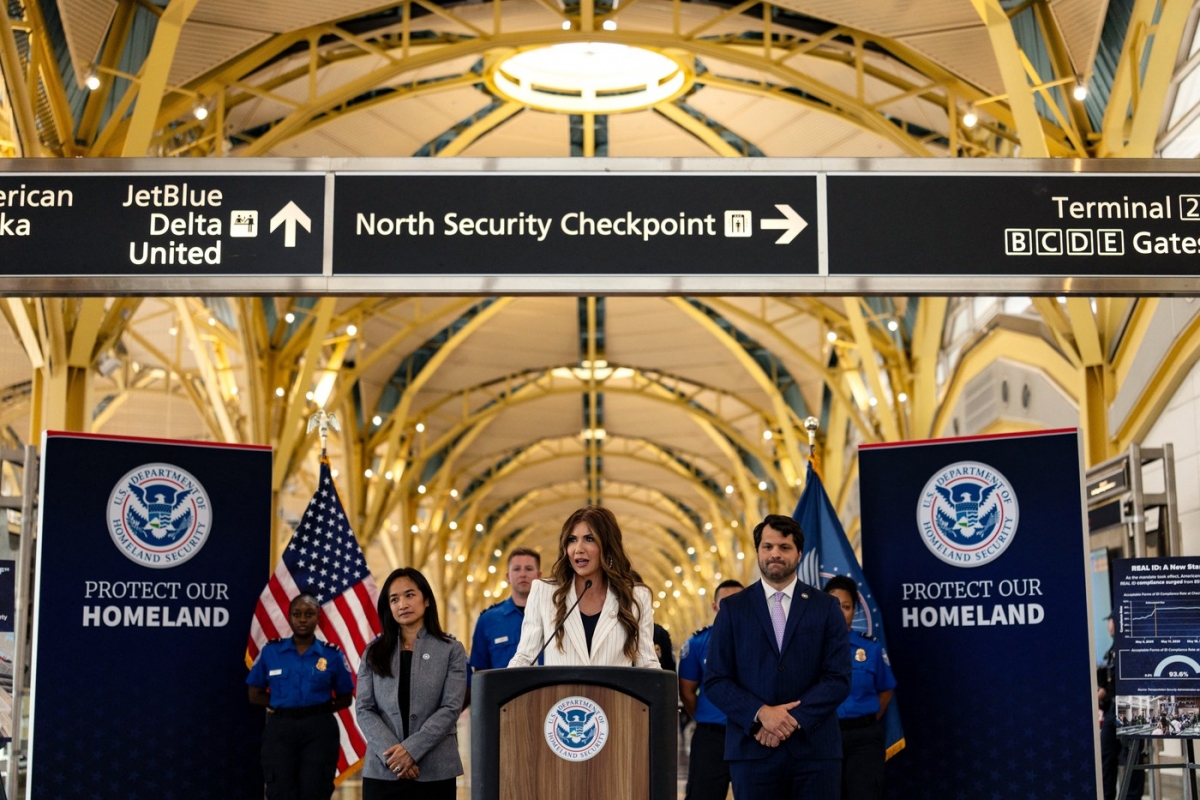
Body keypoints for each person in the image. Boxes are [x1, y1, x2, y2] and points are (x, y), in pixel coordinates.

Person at [704, 514, 851, 800]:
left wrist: (788, 720)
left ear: (799, 553)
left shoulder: (826, 607)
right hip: (752, 750)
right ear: (758, 551)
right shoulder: (733, 609)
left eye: (784, 547)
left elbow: (838, 678)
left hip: (815, 752)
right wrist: (761, 714)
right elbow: (716, 680)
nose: (775, 554)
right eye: (767, 546)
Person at [356, 568, 466, 800]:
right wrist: (395, 758)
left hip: (435, 770)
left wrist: (411, 751)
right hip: (383, 770)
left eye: (409, 595)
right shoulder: (373, 652)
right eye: (394, 599)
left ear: (426, 600)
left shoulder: (451, 650)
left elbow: (451, 707)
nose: (402, 604)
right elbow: (364, 709)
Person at [509, 505, 660, 667]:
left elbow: (647, 663)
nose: (578, 549)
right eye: (572, 540)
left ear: (608, 546)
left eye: (589, 539)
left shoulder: (637, 596)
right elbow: (525, 658)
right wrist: (504, 682)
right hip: (561, 686)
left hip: (614, 686)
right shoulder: (543, 591)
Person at [246, 593, 355, 800]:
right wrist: (283, 706)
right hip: (281, 729)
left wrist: (317, 710)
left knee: (316, 790)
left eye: (309, 614)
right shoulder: (271, 652)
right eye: (297, 614)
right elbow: (254, 694)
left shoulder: (331, 655)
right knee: (280, 790)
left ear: (318, 618)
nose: (302, 619)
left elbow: (345, 697)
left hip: (319, 731)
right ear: (289, 618)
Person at [823, 575, 895, 800]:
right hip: (824, 737)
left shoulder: (870, 648)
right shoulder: (809, 649)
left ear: (854, 611)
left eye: (846, 607)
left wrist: (863, 720)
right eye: (834, 606)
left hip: (864, 739)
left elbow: (885, 689)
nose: (840, 612)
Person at [679, 579, 744, 800]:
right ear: (715, 606)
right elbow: (687, 691)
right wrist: (706, 716)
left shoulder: (765, 641)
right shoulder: (697, 643)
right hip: (711, 738)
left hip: (752, 735)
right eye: (726, 604)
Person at [465, 546, 542, 707]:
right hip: (503, 705)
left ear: (539, 576)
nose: (523, 574)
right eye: (517, 569)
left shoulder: (555, 618)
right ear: (507, 576)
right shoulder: (488, 620)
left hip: (545, 701)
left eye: (529, 569)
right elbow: (480, 674)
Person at [1100, 614, 1144, 800]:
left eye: (1111, 621)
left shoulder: (1132, 644)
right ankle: (1106, 795)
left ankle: (1131, 797)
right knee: (1107, 754)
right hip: (1112, 706)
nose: (1109, 626)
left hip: (1131, 704)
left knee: (1131, 755)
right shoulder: (1112, 649)